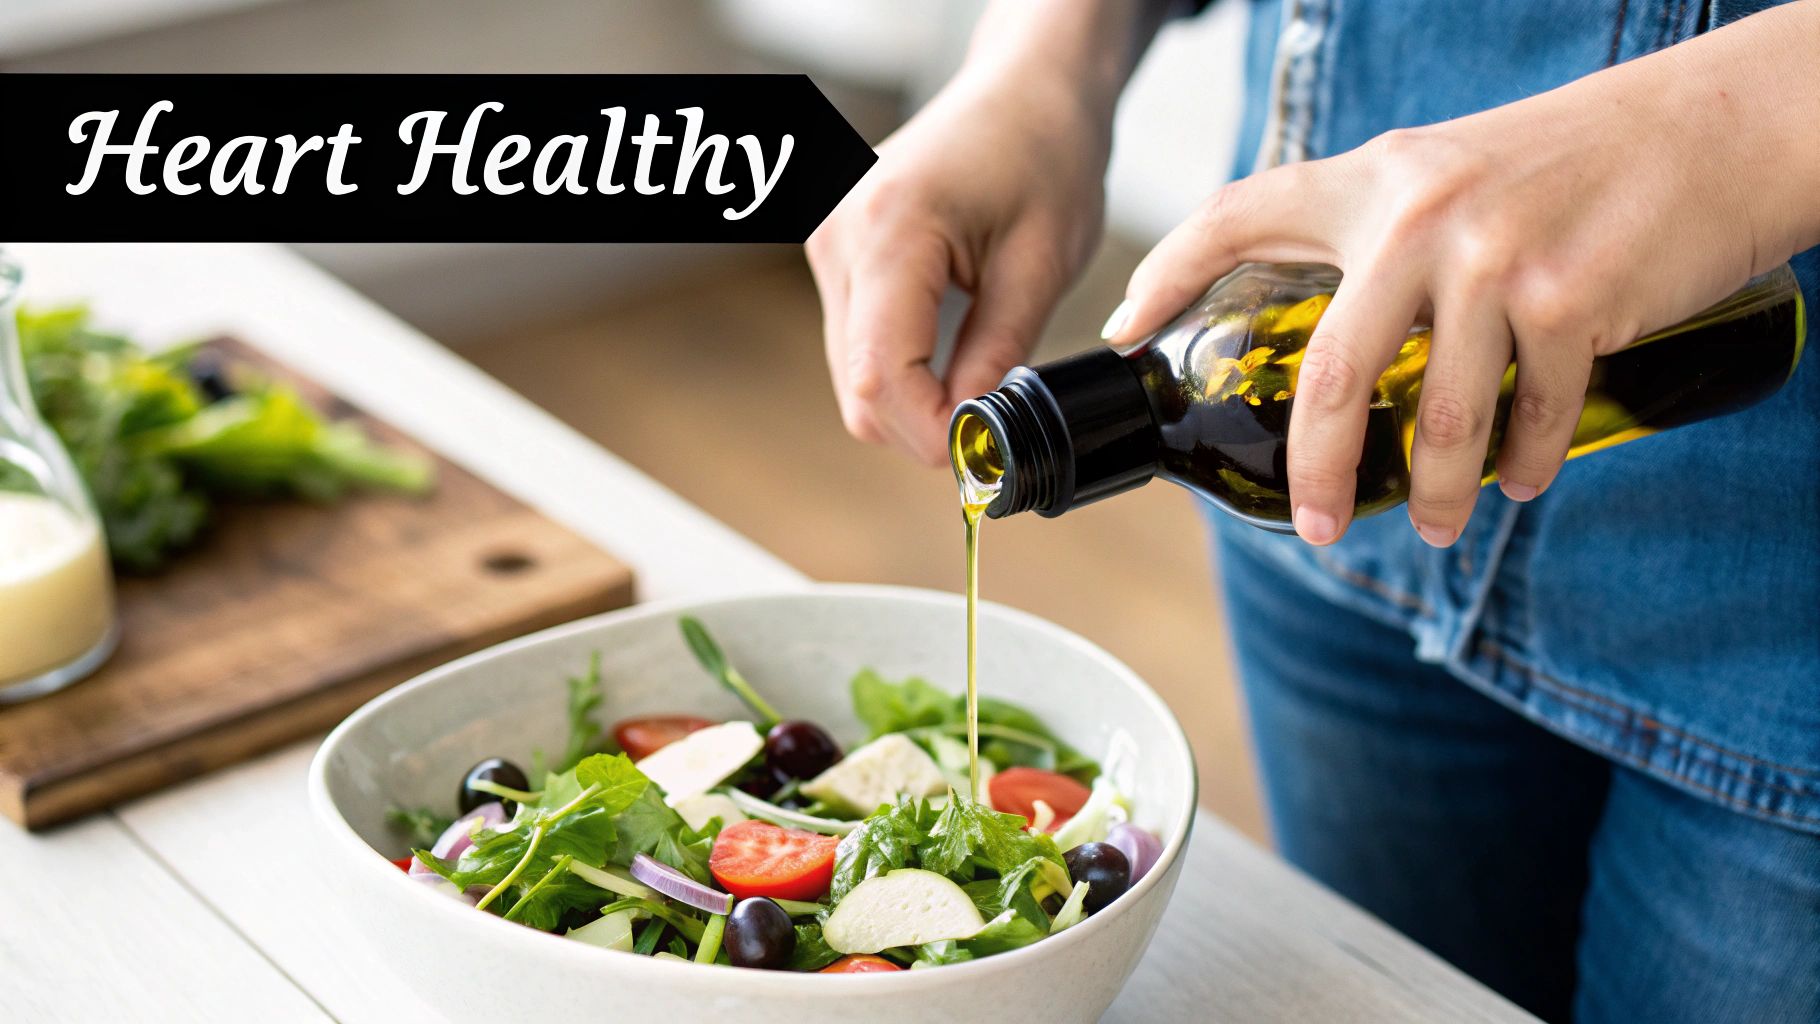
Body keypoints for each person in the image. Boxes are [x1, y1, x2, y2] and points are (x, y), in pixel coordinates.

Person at [805, 2, 1820, 1021]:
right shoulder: (1231, 439)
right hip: (1341, 533)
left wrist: (1711, 131)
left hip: (1777, 616)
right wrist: (1041, 66)